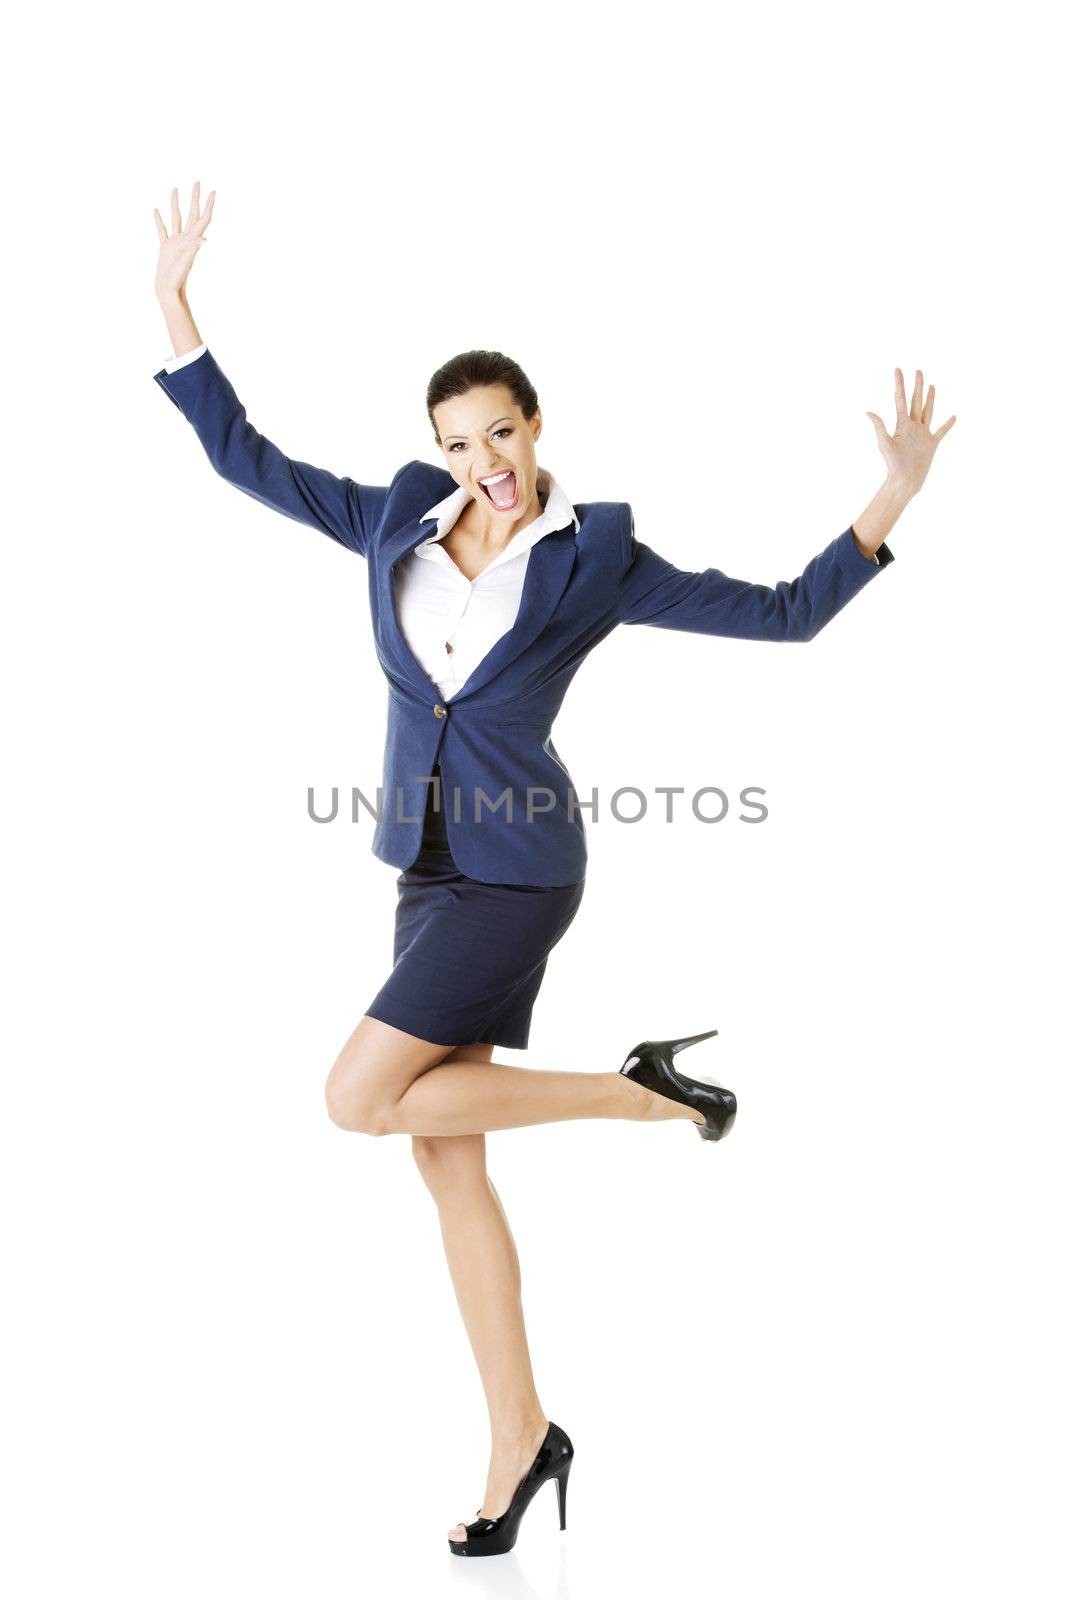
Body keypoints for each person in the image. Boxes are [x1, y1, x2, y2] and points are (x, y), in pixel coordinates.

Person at [152, 181, 956, 1557]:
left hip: (521, 875)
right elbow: (249, 459)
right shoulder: (397, 521)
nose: (484, 461)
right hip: (423, 867)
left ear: (538, 428)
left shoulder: (594, 559)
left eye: (502, 433)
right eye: (460, 442)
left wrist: (889, 498)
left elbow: (781, 615)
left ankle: (634, 1097)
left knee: (358, 1099)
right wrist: (176, 311)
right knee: (444, 1156)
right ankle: (521, 1440)